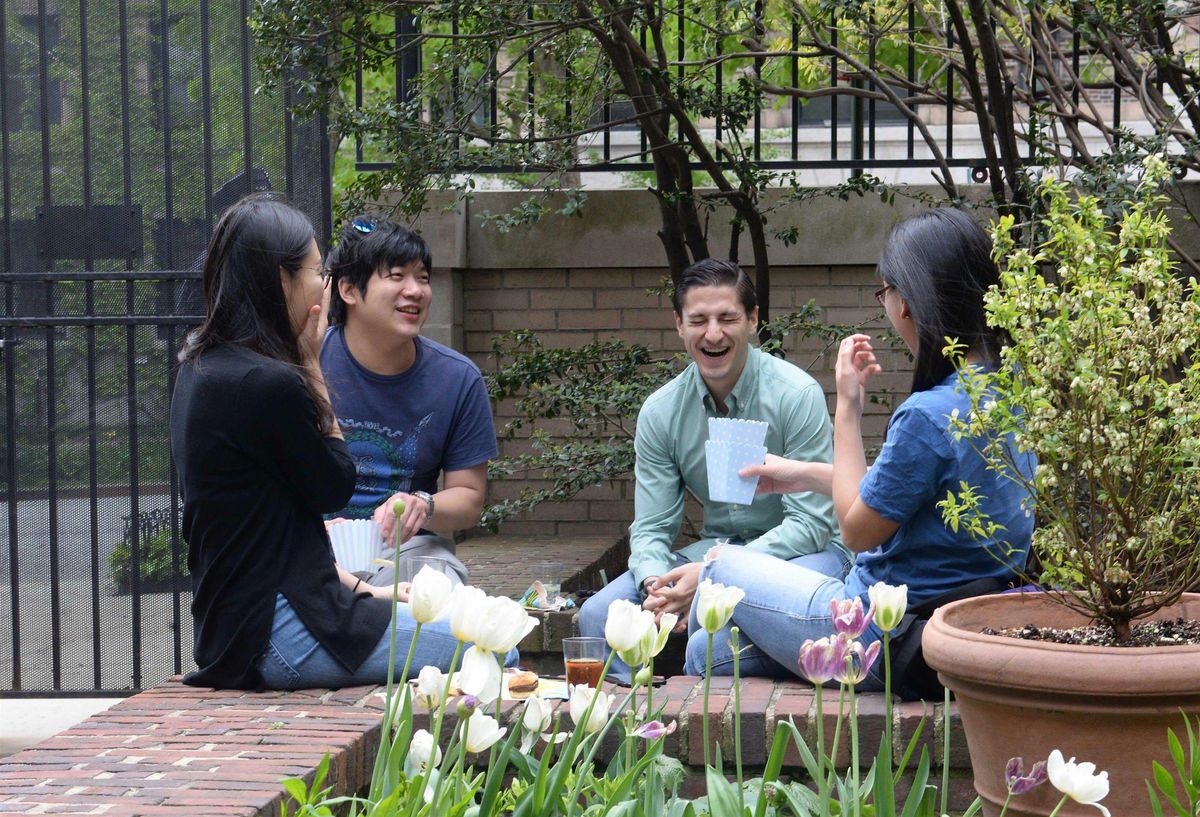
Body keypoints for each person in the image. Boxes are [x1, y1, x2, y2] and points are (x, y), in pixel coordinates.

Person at [685, 208, 1036, 687]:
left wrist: (847, 406)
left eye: (886, 291)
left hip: (881, 631)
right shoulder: (1010, 387)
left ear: (906, 302)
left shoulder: (927, 415)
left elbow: (855, 531)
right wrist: (806, 474)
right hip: (962, 623)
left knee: (718, 565)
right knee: (709, 650)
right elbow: (921, 494)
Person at [171, 195, 505, 690]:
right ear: (280, 281)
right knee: (493, 640)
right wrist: (308, 363)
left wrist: (378, 593)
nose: (321, 286)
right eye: (312, 270)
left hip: (232, 630)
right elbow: (334, 486)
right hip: (285, 630)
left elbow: (273, 531)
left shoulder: (198, 370)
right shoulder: (273, 382)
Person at [578, 258, 848, 682]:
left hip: (806, 555)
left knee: (708, 633)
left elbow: (812, 524)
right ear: (679, 325)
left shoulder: (795, 395)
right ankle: (626, 736)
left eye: (728, 318)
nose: (714, 333)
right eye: (698, 320)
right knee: (597, 615)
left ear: (753, 320)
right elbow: (650, 528)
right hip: (713, 549)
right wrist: (655, 586)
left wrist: (710, 574)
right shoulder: (663, 411)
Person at [320, 216, 497, 587]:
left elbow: (469, 498)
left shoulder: (457, 378)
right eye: (397, 276)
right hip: (313, 546)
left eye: (423, 277)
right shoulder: (306, 361)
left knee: (439, 587)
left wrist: (423, 504)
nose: (415, 291)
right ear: (349, 290)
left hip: (408, 552)